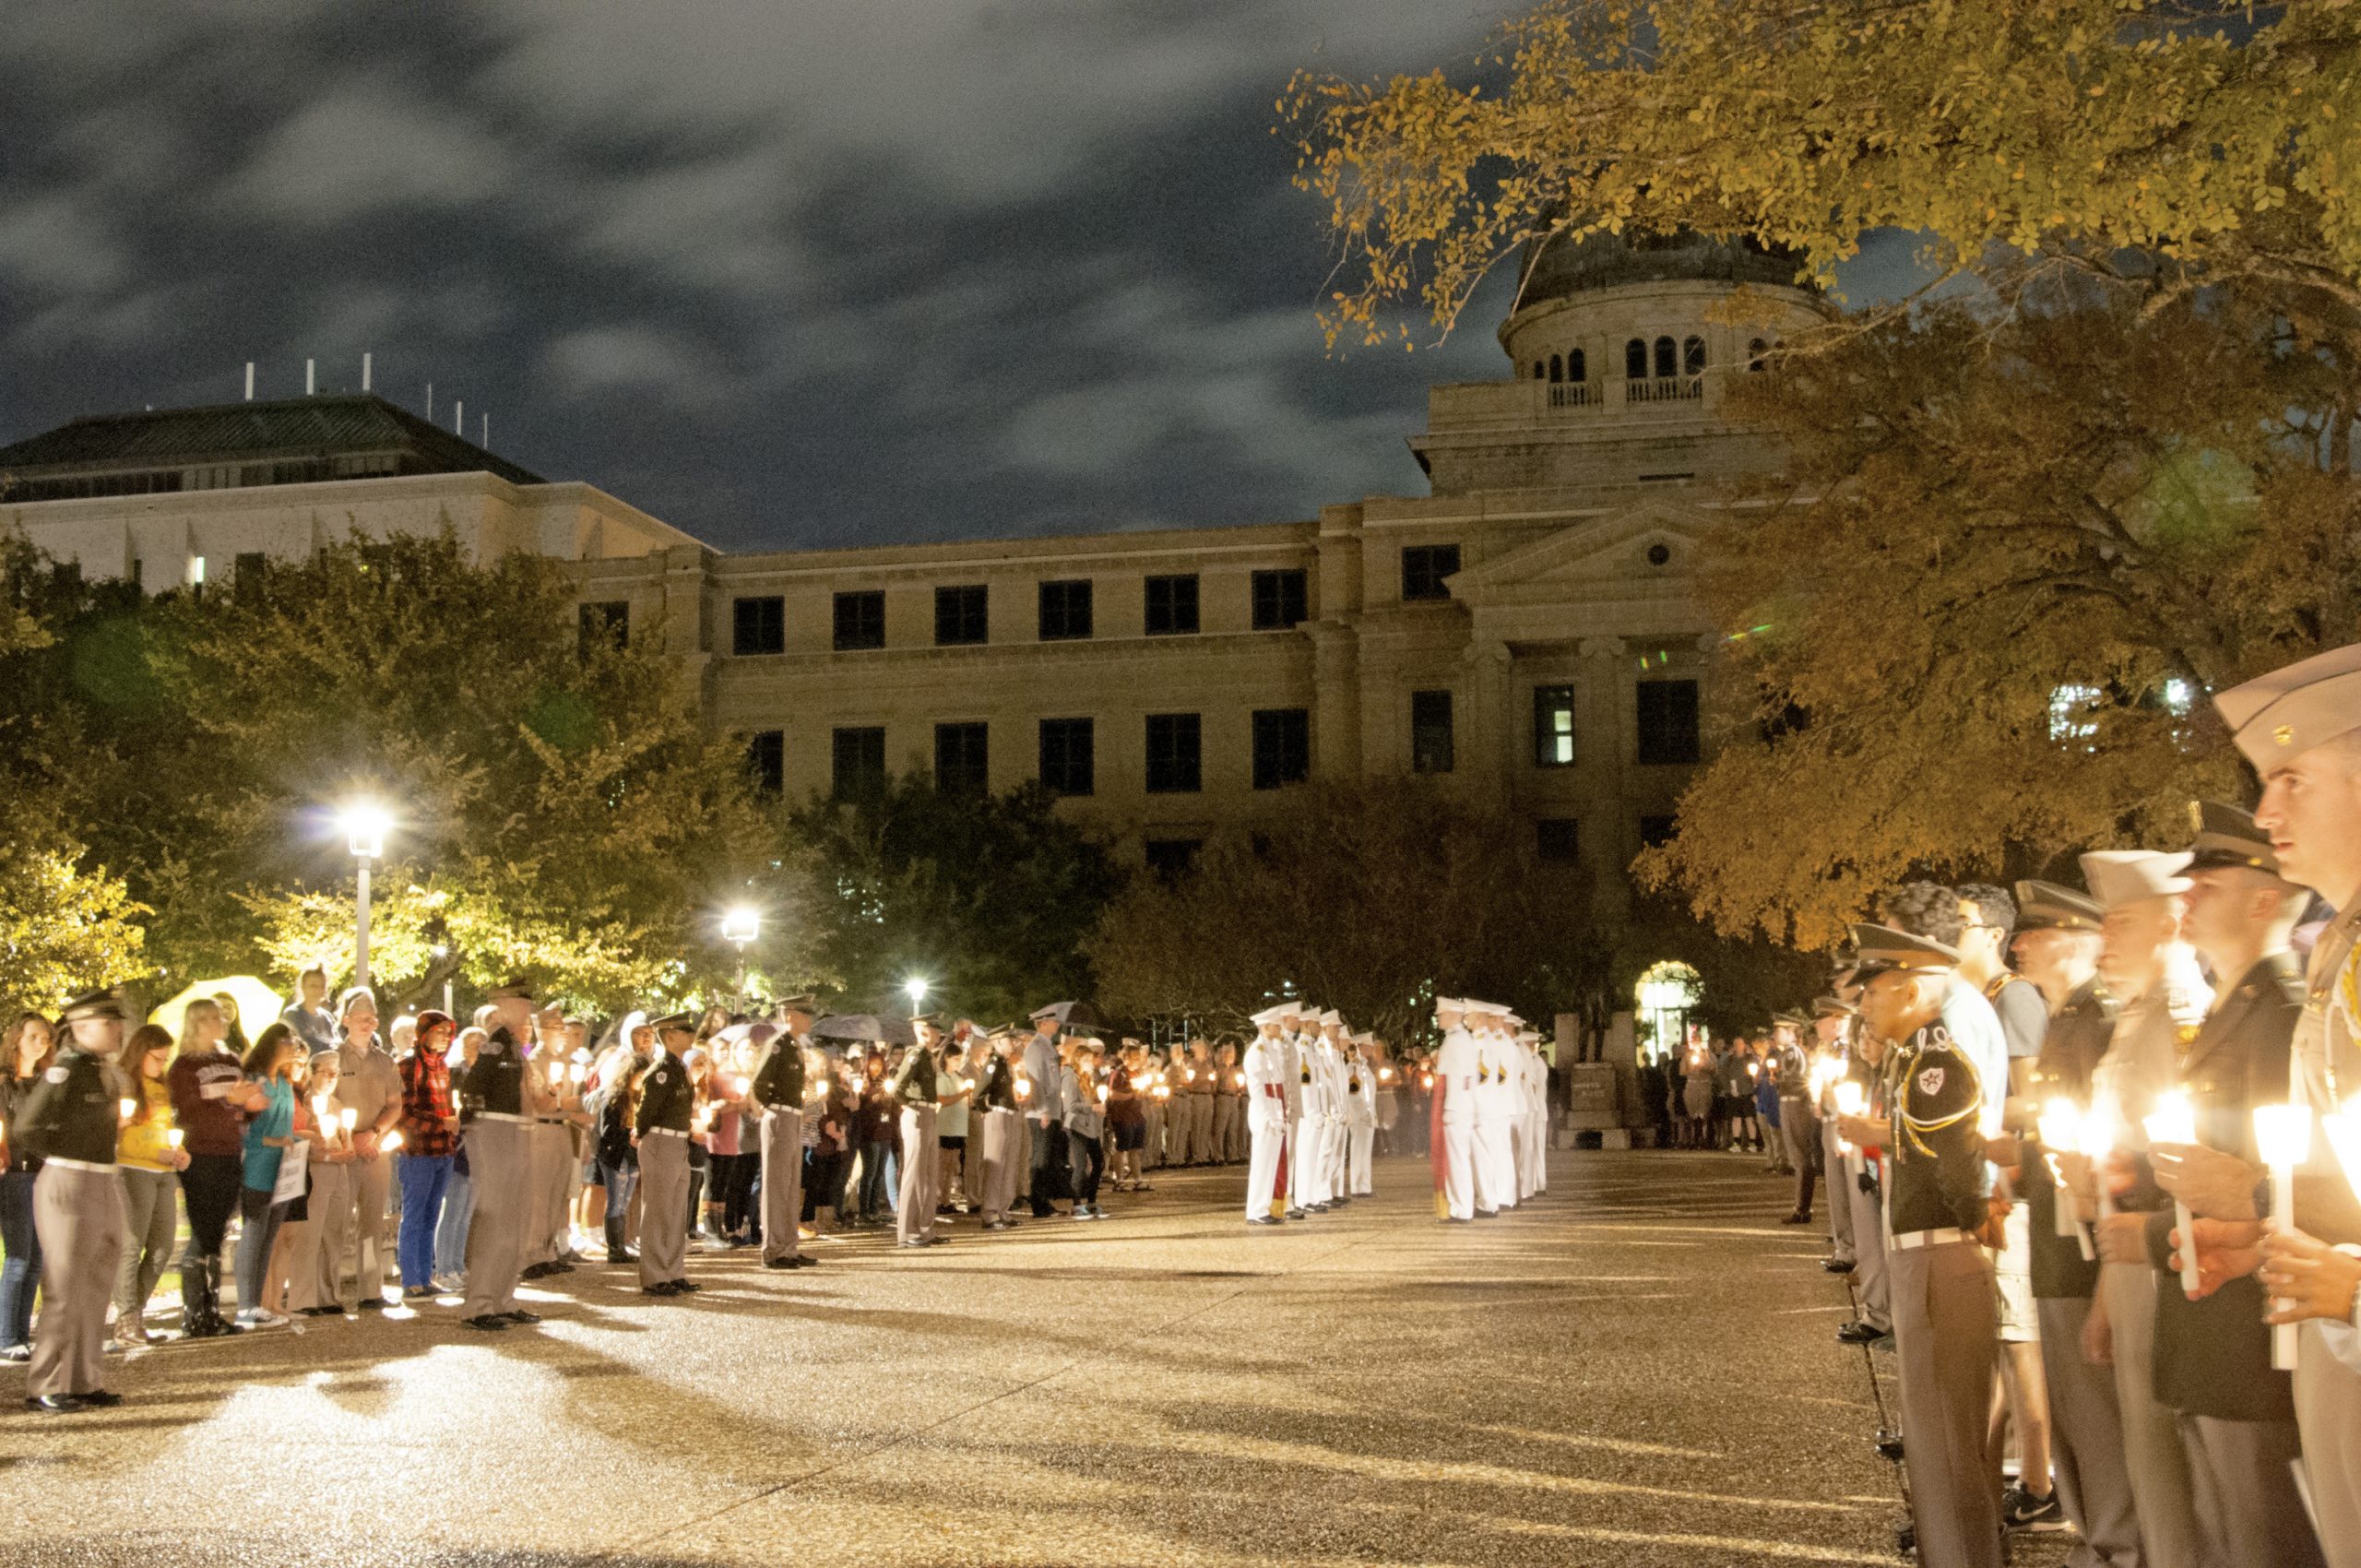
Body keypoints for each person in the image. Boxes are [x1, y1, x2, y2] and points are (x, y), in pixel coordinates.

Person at [1838, 925, 2010, 1568]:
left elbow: (1955, 1160)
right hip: (1927, 1250)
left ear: (1910, 990)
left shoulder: (1933, 1059)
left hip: (1940, 1255)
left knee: (1946, 1438)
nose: (1865, 1006)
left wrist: (1975, 1217)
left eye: (1874, 992)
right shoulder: (1913, 1056)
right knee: (1941, 1434)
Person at [2079, 849, 2213, 1568]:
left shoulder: (2180, 1011)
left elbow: (2185, 1159)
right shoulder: (2138, 1014)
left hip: (2170, 1256)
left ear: (2168, 925)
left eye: (2120, 922)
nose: (2106, 940)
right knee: (2147, 1450)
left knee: (2172, 1464)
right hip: (2132, 1252)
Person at [2006, 879, 2138, 1564]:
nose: (2019, 944)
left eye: (2038, 932)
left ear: (2081, 940)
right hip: (2059, 1235)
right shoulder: (2065, 1018)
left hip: (2086, 1243)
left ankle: (2113, 1539)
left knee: (2095, 1410)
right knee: (2074, 1410)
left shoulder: (2096, 1019)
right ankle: (2094, 1535)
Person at [15, 990, 133, 1413]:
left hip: (103, 1179)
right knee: (64, 1287)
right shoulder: (65, 1070)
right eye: (109, 1023)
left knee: (98, 1281)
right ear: (82, 1027)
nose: (119, 1029)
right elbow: (26, 1127)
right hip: (68, 1179)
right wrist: (63, 1153)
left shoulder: (101, 1069)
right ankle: (44, 1383)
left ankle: (84, 1378)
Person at [456, 981, 540, 1331]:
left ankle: (504, 1297)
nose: (525, 1011)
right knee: (494, 1222)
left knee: (513, 1223)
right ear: (504, 1005)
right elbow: (472, 1090)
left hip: (515, 1130)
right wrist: (478, 1130)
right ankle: (479, 1304)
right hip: (495, 1131)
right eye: (520, 1003)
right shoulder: (494, 1044)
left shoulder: (514, 1046)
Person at [165, 997, 246, 1339]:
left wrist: (249, 1103)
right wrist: (228, 1099)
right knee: (203, 1228)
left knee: (220, 1230)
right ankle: (194, 1312)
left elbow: (245, 1104)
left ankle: (212, 1310)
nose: (222, 1021)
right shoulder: (183, 1067)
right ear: (197, 1023)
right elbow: (188, 1109)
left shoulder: (229, 1059)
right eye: (214, 1017)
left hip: (231, 1150)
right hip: (200, 1153)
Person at [112, 1023, 189, 1345]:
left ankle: (134, 1315)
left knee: (162, 1247)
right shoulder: (124, 1085)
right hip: (133, 1170)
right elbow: (120, 1138)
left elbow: (167, 1127)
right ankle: (126, 1319)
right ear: (141, 1053)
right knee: (132, 1244)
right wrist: (153, 1151)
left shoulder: (162, 1088)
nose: (162, 1065)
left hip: (163, 1173)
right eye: (158, 1058)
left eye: (165, 1059)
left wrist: (180, 1153)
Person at [325, 987, 400, 1312]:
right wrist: (349, 1137)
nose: (366, 1024)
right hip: (343, 1150)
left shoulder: (385, 1062)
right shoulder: (334, 1059)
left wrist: (373, 1134)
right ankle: (327, 1294)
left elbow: (395, 1105)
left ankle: (371, 1289)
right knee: (335, 1224)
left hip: (375, 1150)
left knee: (371, 1225)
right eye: (360, 1018)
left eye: (371, 1019)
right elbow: (327, 1102)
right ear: (346, 1021)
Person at [231, 1023, 304, 1331]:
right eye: (287, 1041)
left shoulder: (285, 1084)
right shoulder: (255, 1082)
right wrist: (275, 1141)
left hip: (283, 1168)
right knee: (254, 1232)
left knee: (270, 1236)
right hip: (258, 1166)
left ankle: (258, 1302)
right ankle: (246, 1303)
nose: (292, 1046)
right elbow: (245, 1130)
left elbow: (287, 1125)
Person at [0, 1012, 56, 1359]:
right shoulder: (5, 1083)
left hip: (45, 1173)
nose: (41, 1043)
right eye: (34, 1036)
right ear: (17, 1038)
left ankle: (21, 1335)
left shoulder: (45, 1083)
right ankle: (6, 1339)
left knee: (37, 1259)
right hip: (16, 1174)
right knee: (19, 1258)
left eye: (46, 1038)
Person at [395, 1010, 460, 1301]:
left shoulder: (442, 1068)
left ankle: (425, 1275)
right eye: (440, 1031)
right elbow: (405, 1112)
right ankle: (411, 1279)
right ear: (424, 1034)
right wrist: (440, 1123)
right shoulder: (409, 1067)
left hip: (443, 1150)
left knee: (432, 1215)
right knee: (414, 1214)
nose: (446, 1037)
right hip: (418, 1151)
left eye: (449, 1031)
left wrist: (451, 1124)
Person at [633, 1012, 699, 1296]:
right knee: (659, 1211)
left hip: (679, 1141)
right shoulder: (663, 1070)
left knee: (675, 1211)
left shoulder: (678, 1068)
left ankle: (673, 1270)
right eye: (685, 1032)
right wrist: (641, 1132)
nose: (690, 1036)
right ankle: (655, 1275)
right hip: (661, 1140)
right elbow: (647, 1111)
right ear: (670, 1036)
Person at [751, 998, 813, 1269]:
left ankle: (789, 1246)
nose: (810, 1019)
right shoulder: (777, 1045)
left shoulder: (793, 1046)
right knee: (777, 1186)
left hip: (793, 1115)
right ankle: (774, 1249)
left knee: (790, 1185)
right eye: (805, 1014)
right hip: (779, 1115)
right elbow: (759, 1083)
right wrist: (771, 1109)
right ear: (790, 1015)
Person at [891, 1019, 942, 1248]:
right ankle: (908, 1232)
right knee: (913, 1174)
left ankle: (925, 1228)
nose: (938, 1033)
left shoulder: (928, 1056)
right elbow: (898, 1087)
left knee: (929, 1175)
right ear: (923, 1032)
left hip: (929, 1112)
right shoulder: (917, 1054)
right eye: (934, 1029)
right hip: (918, 1112)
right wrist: (910, 1106)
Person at [1021, 1009, 1067, 1218]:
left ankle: (1046, 1201)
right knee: (1040, 1159)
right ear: (1043, 1023)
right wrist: (1043, 1110)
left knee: (1049, 1159)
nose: (1058, 1024)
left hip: (1053, 1109)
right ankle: (1039, 1205)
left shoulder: (1048, 1047)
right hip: (1041, 1111)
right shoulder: (1035, 1048)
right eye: (1054, 1021)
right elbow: (1035, 1080)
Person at [1062, 1037, 1108, 1220]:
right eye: (1087, 1060)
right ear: (1079, 1060)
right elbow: (1070, 1106)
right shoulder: (1070, 1077)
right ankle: (1076, 1204)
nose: (1091, 1064)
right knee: (1080, 1165)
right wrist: (1091, 1108)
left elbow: (1090, 1098)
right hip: (1076, 1125)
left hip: (1089, 1126)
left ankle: (1091, 1200)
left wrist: (1098, 1104)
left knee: (1098, 1162)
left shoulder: (1087, 1078)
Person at [279, 967, 336, 1056]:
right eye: (313, 986)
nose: (318, 990)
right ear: (303, 987)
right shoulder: (292, 1015)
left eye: (322, 986)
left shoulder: (328, 1018)